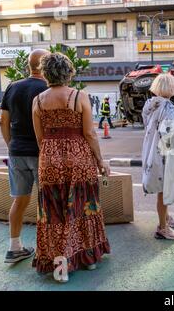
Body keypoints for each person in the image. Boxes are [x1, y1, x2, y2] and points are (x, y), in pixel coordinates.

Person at [32, 52, 110, 282]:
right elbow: (89, 133)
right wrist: (99, 160)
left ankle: (60, 269)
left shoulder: (37, 101)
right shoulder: (79, 96)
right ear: (68, 73)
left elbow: (40, 138)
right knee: (84, 205)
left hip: (49, 159)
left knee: (53, 212)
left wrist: (51, 153)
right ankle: (88, 259)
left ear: (45, 73)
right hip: (79, 158)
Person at [0, 49, 49, 263]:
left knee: (19, 201)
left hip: (17, 152)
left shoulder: (13, 86)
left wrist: (11, 145)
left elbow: (3, 120)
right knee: (46, 202)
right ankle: (48, 250)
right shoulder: (47, 88)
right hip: (41, 152)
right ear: (45, 65)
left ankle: (14, 247)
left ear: (29, 65)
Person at [141, 73, 174, 240]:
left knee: (161, 188)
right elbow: (168, 135)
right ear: (172, 88)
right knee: (164, 189)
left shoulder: (150, 104)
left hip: (150, 148)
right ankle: (162, 227)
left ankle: (166, 218)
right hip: (164, 153)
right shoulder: (169, 108)